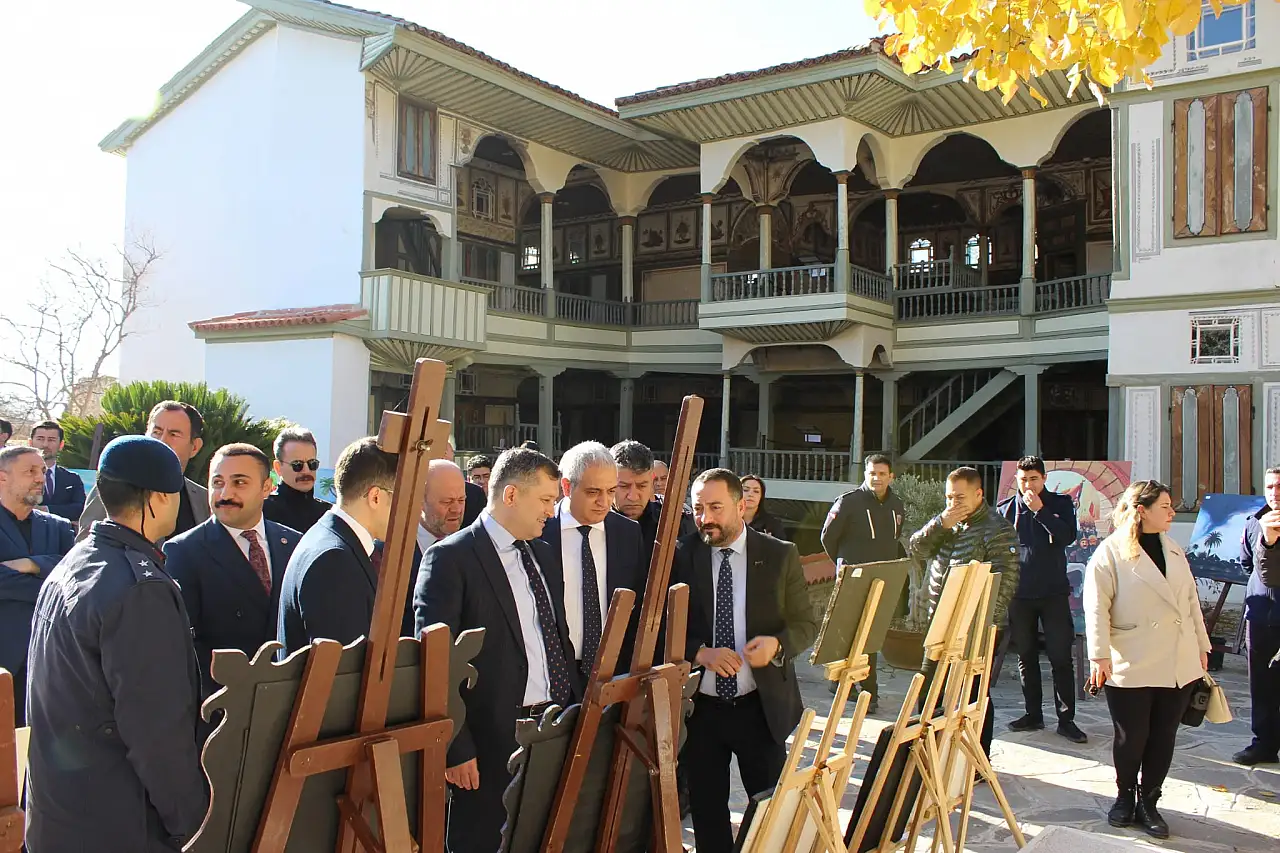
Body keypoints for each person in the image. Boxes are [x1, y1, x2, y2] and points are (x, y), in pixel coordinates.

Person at [25, 435, 207, 852]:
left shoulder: (79, 559)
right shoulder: (139, 589)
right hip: (118, 824)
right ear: (159, 498)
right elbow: (156, 732)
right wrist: (195, 825)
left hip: (62, 815)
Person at [413, 447, 579, 853]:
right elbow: (434, 663)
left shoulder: (542, 552)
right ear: (511, 495)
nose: (551, 511)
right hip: (490, 746)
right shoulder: (450, 559)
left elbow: (554, 639)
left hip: (553, 731)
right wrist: (455, 747)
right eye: (545, 500)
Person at [673, 468, 816, 853]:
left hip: (759, 707)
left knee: (768, 811)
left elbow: (806, 624)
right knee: (706, 810)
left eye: (716, 507)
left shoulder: (779, 555)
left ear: (741, 506)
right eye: (698, 508)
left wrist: (777, 645)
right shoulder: (682, 555)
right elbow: (662, 624)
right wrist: (699, 652)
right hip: (701, 710)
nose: (705, 518)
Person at [1085, 480, 1210, 839]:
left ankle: (1150, 802)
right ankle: (1125, 796)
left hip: (1178, 659)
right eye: (1165, 507)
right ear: (1142, 510)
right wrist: (1099, 655)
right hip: (1131, 657)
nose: (1172, 512)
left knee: (1163, 736)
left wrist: (1202, 646)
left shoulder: (1173, 549)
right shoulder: (1110, 551)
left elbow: (1190, 602)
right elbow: (1096, 607)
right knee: (1131, 736)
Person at [165, 444, 301, 702]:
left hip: (289, 701)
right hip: (225, 706)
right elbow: (183, 648)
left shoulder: (294, 543)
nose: (225, 494)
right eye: (217, 483)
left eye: (239, 482)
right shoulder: (184, 551)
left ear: (267, 487)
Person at [909, 466, 1019, 757]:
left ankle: (977, 759)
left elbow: (1006, 582)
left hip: (976, 627)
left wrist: (981, 628)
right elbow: (917, 549)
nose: (953, 503)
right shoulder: (946, 524)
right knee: (929, 689)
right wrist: (940, 524)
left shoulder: (998, 528)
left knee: (974, 694)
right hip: (940, 622)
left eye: (959, 498)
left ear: (979, 494)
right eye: (949, 497)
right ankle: (929, 754)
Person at [277, 436, 397, 654]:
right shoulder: (333, 560)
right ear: (376, 497)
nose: (415, 510)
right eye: (404, 497)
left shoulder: (331, 539)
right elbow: (338, 667)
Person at [996, 456, 1085, 743]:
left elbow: (1067, 536)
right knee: (1026, 656)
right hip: (1019, 595)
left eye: (1034, 479)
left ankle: (1066, 719)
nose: (1028, 485)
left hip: (1053, 593)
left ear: (1044, 479)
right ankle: (1032, 714)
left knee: (1060, 657)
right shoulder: (1005, 509)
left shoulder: (1060, 504)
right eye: (1023, 480)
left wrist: (1041, 511)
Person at [539, 441, 645, 677]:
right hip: (552, 671)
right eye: (593, 492)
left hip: (612, 671)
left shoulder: (628, 533)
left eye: (611, 491)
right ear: (566, 487)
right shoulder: (539, 530)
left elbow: (637, 603)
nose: (604, 502)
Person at [820, 453, 906, 712]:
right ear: (865, 474)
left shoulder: (897, 505)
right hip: (853, 578)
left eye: (882, 473)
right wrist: (845, 564)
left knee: (871, 634)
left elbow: (894, 539)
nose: (876, 478)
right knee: (847, 633)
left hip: (881, 579)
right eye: (872, 473)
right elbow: (828, 537)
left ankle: (860, 689)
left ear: (891, 476)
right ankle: (855, 687)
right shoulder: (848, 502)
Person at [0, 446, 75, 725]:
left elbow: (75, 577)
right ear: (2, 478)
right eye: (30, 471)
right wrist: (50, 579)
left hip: (50, 662)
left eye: (42, 471)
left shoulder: (58, 527)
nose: (40, 478)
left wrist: (32, 565)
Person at [78, 400, 210, 541]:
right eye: (156, 432)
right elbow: (87, 541)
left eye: (173, 434)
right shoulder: (117, 484)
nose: (162, 441)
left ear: (195, 447)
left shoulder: (203, 499)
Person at [1234, 465, 1280, 766]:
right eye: (1270, 487)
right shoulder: (1254, 521)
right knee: (1261, 685)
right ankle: (1264, 744)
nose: (1275, 493)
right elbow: (1247, 564)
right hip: (1261, 614)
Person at [610, 439, 696, 566]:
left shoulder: (676, 523)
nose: (633, 497)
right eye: (624, 486)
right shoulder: (593, 525)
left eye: (642, 486)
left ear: (652, 480)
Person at [263, 426, 331, 534]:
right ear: (278, 467)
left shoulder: (328, 514)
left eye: (312, 464)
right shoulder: (262, 512)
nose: (306, 471)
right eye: (297, 465)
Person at [31, 420, 86, 523]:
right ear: (30, 443)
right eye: (40, 439)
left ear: (61, 445)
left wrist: (46, 509)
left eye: (51, 440)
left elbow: (80, 508)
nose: (45, 444)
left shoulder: (72, 478)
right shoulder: (18, 475)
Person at [741, 474, 787, 540]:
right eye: (745, 490)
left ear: (761, 496)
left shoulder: (772, 524)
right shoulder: (728, 520)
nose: (750, 494)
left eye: (756, 491)